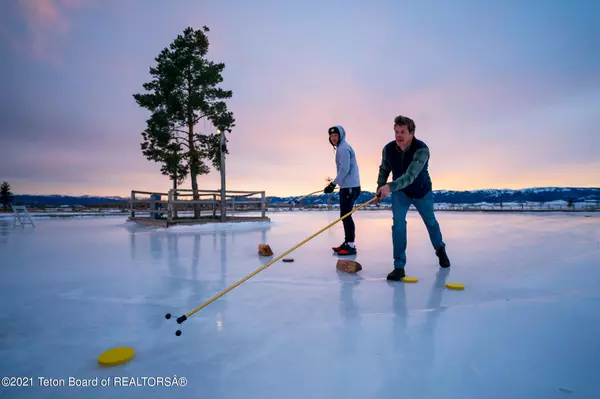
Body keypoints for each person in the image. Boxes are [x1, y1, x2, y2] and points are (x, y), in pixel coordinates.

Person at [375, 115, 450, 281]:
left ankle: (440, 249)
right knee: (399, 225)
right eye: (396, 132)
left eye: (402, 132)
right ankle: (399, 266)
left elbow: (410, 176)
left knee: (430, 222)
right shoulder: (388, 149)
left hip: (421, 190)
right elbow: (384, 169)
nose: (398, 136)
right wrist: (380, 188)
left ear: (412, 133)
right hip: (401, 193)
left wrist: (389, 186)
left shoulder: (422, 150)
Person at [325, 125, 361, 256]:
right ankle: (347, 242)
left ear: (341, 136)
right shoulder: (342, 148)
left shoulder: (343, 149)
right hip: (347, 186)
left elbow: (345, 169)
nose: (333, 138)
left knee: (346, 215)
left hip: (350, 187)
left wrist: (333, 184)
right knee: (345, 215)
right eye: (331, 136)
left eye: (336, 135)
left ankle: (350, 245)